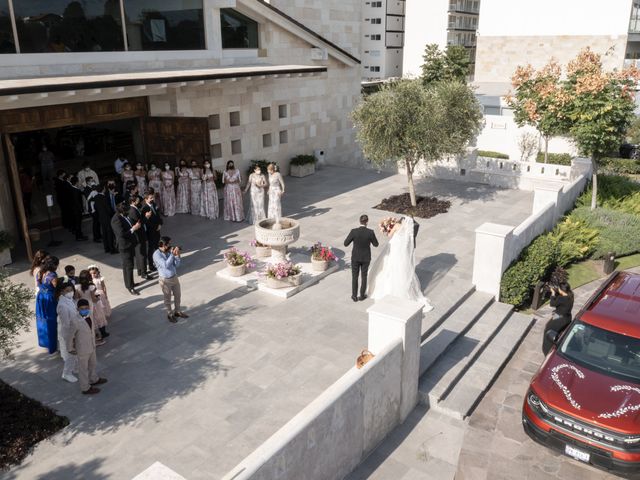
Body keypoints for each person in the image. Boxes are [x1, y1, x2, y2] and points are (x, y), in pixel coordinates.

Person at [367, 216, 434, 311]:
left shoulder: (397, 226)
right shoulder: (407, 229)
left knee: (389, 264)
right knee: (400, 266)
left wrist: (385, 230)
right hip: (401, 248)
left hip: (395, 246)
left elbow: (389, 235)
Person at [63, 298, 108, 395]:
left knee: (93, 364)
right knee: (83, 369)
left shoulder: (90, 315)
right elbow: (69, 336)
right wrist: (69, 348)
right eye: (82, 308)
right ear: (77, 309)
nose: (85, 310)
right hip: (82, 349)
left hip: (92, 346)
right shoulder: (75, 321)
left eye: (86, 308)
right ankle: (85, 388)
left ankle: (94, 379)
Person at [344, 215, 379, 302]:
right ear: (367, 222)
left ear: (359, 221)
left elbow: (345, 243)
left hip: (355, 257)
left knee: (354, 277)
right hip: (366, 258)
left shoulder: (354, 231)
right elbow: (376, 244)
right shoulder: (370, 232)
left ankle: (354, 296)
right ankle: (362, 295)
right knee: (364, 276)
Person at [153, 237, 188, 323]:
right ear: (163, 245)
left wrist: (177, 256)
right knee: (167, 298)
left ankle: (177, 311)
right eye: (168, 244)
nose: (170, 246)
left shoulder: (168, 252)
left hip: (174, 277)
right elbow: (165, 265)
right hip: (165, 280)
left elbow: (176, 265)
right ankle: (170, 314)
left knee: (178, 295)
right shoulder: (156, 254)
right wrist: (172, 254)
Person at [111, 202, 142, 295]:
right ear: (122, 211)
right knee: (128, 266)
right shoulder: (116, 220)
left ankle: (130, 283)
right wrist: (134, 228)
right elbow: (121, 234)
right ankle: (130, 287)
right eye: (127, 210)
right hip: (124, 246)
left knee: (129, 265)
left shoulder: (123, 216)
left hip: (130, 244)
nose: (129, 212)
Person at [75, 270, 107, 346]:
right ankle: (94, 341)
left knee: (84, 323)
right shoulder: (91, 287)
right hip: (89, 306)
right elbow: (93, 299)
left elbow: (77, 297)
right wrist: (98, 298)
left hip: (80, 305)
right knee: (90, 323)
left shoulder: (77, 287)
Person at [35, 256, 60, 354]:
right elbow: (56, 288)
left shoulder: (39, 273)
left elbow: (38, 285)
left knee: (42, 320)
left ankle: (45, 342)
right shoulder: (53, 275)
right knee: (52, 321)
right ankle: (53, 347)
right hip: (49, 300)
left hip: (41, 297)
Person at [55, 281, 79, 383]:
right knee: (70, 354)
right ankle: (66, 373)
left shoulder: (69, 300)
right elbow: (66, 324)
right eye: (67, 291)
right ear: (62, 292)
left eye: (71, 290)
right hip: (68, 333)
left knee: (74, 353)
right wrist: (72, 337)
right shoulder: (62, 305)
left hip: (74, 330)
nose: (70, 292)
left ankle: (75, 368)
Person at [542, 282, 574, 354]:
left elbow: (552, 304)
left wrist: (553, 293)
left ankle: (547, 350)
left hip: (559, 319)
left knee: (548, 331)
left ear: (561, 290)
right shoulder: (570, 295)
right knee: (560, 334)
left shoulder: (562, 298)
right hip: (567, 317)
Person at [128, 195, 150, 281]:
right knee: (142, 254)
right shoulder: (133, 211)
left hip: (138, 235)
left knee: (138, 253)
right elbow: (140, 222)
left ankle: (140, 271)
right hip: (139, 235)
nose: (139, 202)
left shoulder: (133, 209)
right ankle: (144, 273)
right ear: (133, 202)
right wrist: (146, 217)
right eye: (137, 201)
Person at [142, 191, 163, 271]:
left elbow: (158, 215)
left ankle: (158, 262)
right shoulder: (144, 208)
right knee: (151, 249)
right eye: (151, 198)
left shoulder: (154, 204)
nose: (152, 199)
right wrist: (155, 227)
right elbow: (146, 222)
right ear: (146, 199)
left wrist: (160, 224)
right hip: (151, 232)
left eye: (153, 197)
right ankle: (151, 265)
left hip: (157, 230)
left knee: (158, 247)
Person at [94, 184, 117, 253]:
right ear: (103, 189)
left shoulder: (96, 197)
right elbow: (108, 209)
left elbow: (96, 207)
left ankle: (106, 248)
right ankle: (112, 249)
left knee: (104, 233)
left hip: (101, 217)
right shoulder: (104, 198)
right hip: (107, 217)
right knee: (109, 233)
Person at [89, 265, 112, 333]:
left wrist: (105, 294)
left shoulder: (100, 278)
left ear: (98, 272)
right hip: (95, 294)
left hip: (100, 293)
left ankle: (105, 314)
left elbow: (103, 286)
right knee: (98, 307)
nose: (93, 275)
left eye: (94, 273)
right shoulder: (90, 280)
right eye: (91, 274)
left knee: (104, 304)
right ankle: (101, 316)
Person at [69, 176, 88, 241]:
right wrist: (81, 210)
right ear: (76, 182)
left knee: (78, 223)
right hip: (77, 210)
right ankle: (79, 237)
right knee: (78, 224)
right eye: (79, 181)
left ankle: (80, 235)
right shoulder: (75, 190)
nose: (79, 182)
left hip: (74, 209)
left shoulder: (72, 188)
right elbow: (77, 201)